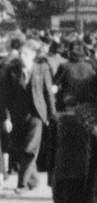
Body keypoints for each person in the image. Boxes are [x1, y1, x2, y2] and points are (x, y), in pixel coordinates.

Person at [0, 40, 58, 192]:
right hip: (17, 115)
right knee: (19, 149)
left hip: (36, 115)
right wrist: (6, 117)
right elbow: (4, 97)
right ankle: (33, 180)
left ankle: (22, 184)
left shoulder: (42, 68)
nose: (22, 57)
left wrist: (52, 115)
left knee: (29, 149)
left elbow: (48, 93)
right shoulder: (11, 69)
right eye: (21, 54)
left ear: (33, 55)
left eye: (26, 54)